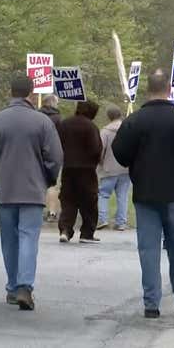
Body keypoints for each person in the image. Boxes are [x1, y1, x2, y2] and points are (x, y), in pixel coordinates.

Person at [112, 69, 174, 319]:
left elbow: (120, 154)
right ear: (170, 90)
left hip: (145, 193)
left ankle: (151, 302)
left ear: (148, 90)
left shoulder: (135, 121)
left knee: (148, 250)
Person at [0, 75, 63, 311]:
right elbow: (55, 156)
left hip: (6, 189)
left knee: (9, 240)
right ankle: (25, 286)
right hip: (33, 189)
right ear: (31, 93)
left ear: (10, 91)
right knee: (28, 238)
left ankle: (13, 287)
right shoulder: (42, 122)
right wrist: (47, 178)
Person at [57, 100, 103, 244]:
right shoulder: (91, 127)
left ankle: (65, 229)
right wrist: (95, 161)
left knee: (68, 200)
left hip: (68, 168)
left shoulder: (64, 124)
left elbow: (56, 144)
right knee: (89, 202)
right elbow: (96, 149)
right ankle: (87, 233)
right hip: (87, 170)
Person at [96, 105, 131, 231]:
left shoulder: (105, 132)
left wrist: (100, 163)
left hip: (108, 168)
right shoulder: (128, 129)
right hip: (125, 168)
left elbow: (100, 150)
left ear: (108, 116)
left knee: (104, 194)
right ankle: (121, 222)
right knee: (122, 195)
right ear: (120, 115)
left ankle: (103, 219)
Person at [39, 94, 62, 222]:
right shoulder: (58, 118)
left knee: (38, 183)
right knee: (53, 185)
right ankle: (52, 213)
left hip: (37, 154)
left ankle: (37, 210)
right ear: (53, 103)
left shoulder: (36, 116)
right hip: (53, 154)